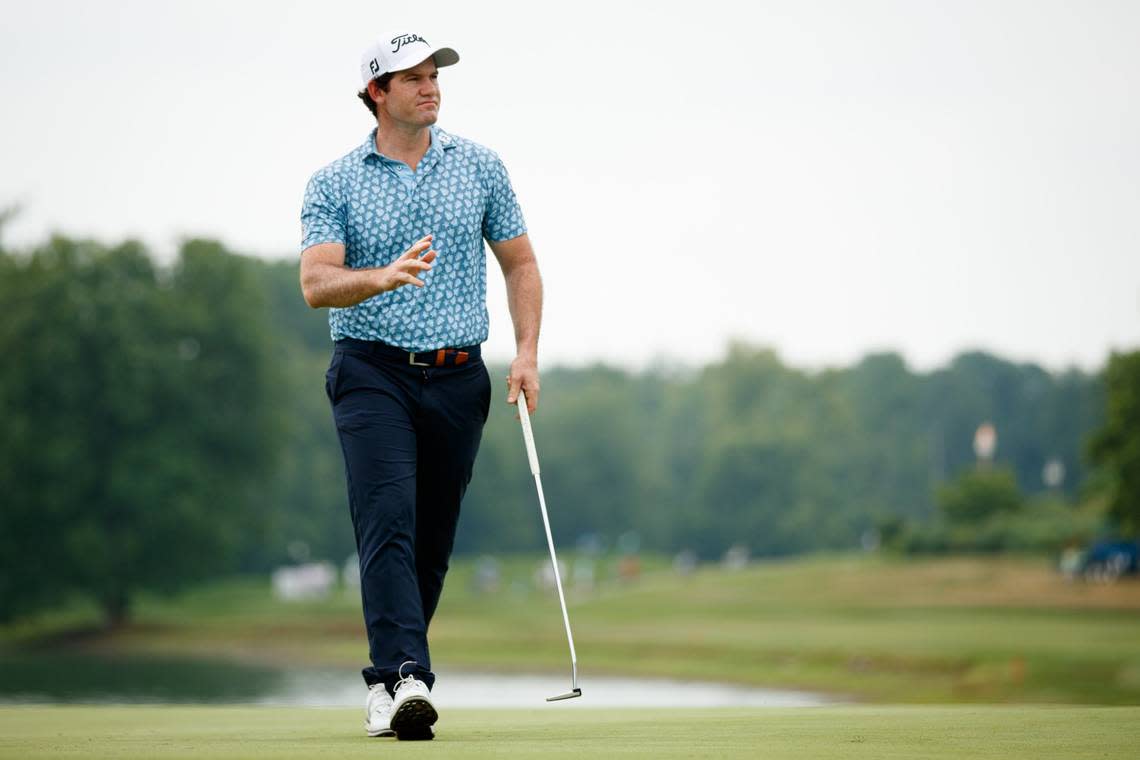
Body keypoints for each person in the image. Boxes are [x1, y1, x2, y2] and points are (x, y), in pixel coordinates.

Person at [298, 29, 542, 741]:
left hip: (459, 376)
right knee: (388, 523)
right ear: (377, 92)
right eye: (413, 78)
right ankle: (405, 678)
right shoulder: (334, 181)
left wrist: (525, 353)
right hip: (370, 371)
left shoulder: (480, 166)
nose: (431, 86)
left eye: (434, 75)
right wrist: (379, 277)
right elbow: (316, 283)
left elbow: (521, 265)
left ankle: (392, 678)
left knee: (431, 539)